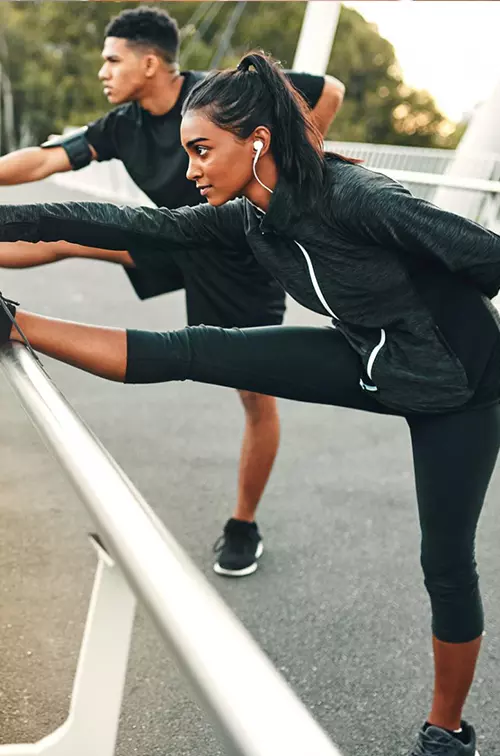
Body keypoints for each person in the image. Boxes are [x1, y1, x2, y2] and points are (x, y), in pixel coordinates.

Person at [0, 50, 495, 755]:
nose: (192, 170)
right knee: (198, 349)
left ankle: (446, 731)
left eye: (202, 151)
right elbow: (126, 225)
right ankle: (13, 322)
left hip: (460, 388)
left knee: (445, 563)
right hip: (366, 357)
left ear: (257, 141)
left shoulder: (357, 198)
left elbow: (487, 257)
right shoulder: (252, 222)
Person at [0, 6, 345, 577]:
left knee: (254, 395)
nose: (104, 72)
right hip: (178, 235)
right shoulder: (122, 124)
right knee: (70, 238)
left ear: (151, 62)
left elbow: (325, 88)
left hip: (239, 253)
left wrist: (296, 167)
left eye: (113, 60)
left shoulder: (220, 95)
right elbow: (43, 159)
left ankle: (244, 523)